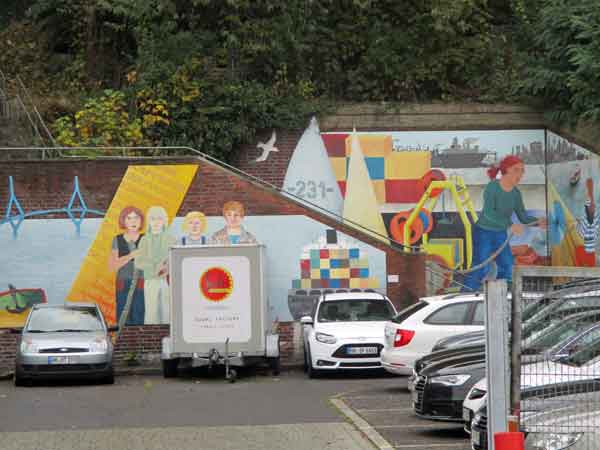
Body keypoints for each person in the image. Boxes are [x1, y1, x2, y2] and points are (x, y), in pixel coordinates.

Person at [463, 156, 547, 291]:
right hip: (483, 232)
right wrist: (511, 224)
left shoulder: (515, 194)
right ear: (506, 170)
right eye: (516, 170)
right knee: (481, 268)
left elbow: (523, 217)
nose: (520, 174)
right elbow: (490, 213)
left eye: (522, 171)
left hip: (500, 234)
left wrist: (538, 222)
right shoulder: (492, 187)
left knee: (507, 267)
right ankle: (465, 296)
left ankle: (504, 295)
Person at [135, 206, 176, 324]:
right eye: (153, 219)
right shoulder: (144, 240)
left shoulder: (170, 239)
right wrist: (154, 266)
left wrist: (167, 268)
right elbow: (138, 262)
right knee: (151, 311)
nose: (156, 222)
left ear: (164, 221)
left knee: (167, 311)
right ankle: (151, 335)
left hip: (166, 280)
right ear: (149, 222)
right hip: (150, 280)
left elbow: (174, 259)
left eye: (159, 219)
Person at [108, 206, 145, 325]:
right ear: (123, 221)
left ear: (141, 220)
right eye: (129, 218)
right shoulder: (117, 239)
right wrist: (131, 255)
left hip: (141, 282)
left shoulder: (146, 239)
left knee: (139, 314)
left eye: (136, 218)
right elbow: (112, 266)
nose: (133, 221)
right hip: (122, 282)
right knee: (123, 316)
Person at [575, 177, 600, 267]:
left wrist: (578, 223)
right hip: (589, 249)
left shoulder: (591, 219)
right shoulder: (592, 218)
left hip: (588, 249)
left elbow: (581, 231)